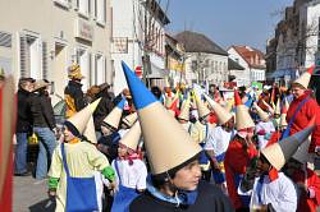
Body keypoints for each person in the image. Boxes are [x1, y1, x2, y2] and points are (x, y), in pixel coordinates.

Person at [120, 61, 234, 211]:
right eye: (189, 168)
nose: (198, 172)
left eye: (196, 164)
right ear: (167, 174)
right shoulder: (140, 208)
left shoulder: (210, 197)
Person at [47, 99, 115, 212]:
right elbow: (55, 169)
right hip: (65, 187)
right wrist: (52, 186)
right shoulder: (60, 149)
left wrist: (111, 177)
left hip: (86, 186)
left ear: (76, 132)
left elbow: (101, 161)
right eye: (64, 129)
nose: (65, 132)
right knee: (62, 208)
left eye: (69, 130)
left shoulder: (87, 148)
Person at [239, 126, 315, 211]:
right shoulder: (258, 176)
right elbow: (244, 191)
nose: (259, 163)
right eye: (259, 159)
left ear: (272, 164)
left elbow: (289, 207)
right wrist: (249, 175)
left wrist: (267, 209)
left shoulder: (285, 183)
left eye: (262, 161)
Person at [224, 89, 258, 211]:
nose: (252, 136)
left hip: (246, 191)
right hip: (239, 196)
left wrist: (250, 144)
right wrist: (251, 145)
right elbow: (246, 168)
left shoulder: (244, 144)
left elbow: (254, 158)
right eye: (249, 134)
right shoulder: (234, 148)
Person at [111, 122, 147, 211]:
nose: (119, 149)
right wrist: (112, 183)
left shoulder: (139, 164)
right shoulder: (116, 161)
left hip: (135, 193)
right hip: (120, 192)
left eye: (122, 147)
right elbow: (113, 175)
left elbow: (142, 177)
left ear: (129, 150)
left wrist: (141, 186)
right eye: (118, 147)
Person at [203, 93, 235, 194]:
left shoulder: (235, 132)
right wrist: (214, 161)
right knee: (222, 188)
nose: (233, 123)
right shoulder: (216, 131)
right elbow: (208, 148)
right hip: (219, 163)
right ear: (225, 123)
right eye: (231, 121)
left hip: (231, 163)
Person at [285, 65, 320, 154]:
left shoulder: (310, 103)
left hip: (303, 144)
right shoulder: (294, 101)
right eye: (292, 90)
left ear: (304, 90)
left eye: (296, 90)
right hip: (291, 141)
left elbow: (317, 125)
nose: (293, 93)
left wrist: (315, 145)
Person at [30, 80, 57, 180]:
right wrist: (53, 127)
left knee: (43, 151)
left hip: (36, 127)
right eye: (46, 87)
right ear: (44, 88)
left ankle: (40, 175)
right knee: (54, 152)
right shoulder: (44, 99)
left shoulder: (33, 99)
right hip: (44, 127)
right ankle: (56, 174)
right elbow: (48, 113)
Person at [283, 139, 320, 212]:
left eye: (295, 162)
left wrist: (307, 190)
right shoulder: (283, 173)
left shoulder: (309, 174)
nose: (292, 164)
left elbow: (318, 190)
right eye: (291, 161)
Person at [14, 77, 35, 176]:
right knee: (22, 147)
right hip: (23, 125)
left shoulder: (19, 95)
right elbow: (24, 113)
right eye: (30, 85)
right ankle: (20, 169)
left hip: (21, 125)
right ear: (24, 86)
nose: (32, 87)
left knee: (25, 146)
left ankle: (23, 166)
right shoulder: (23, 97)